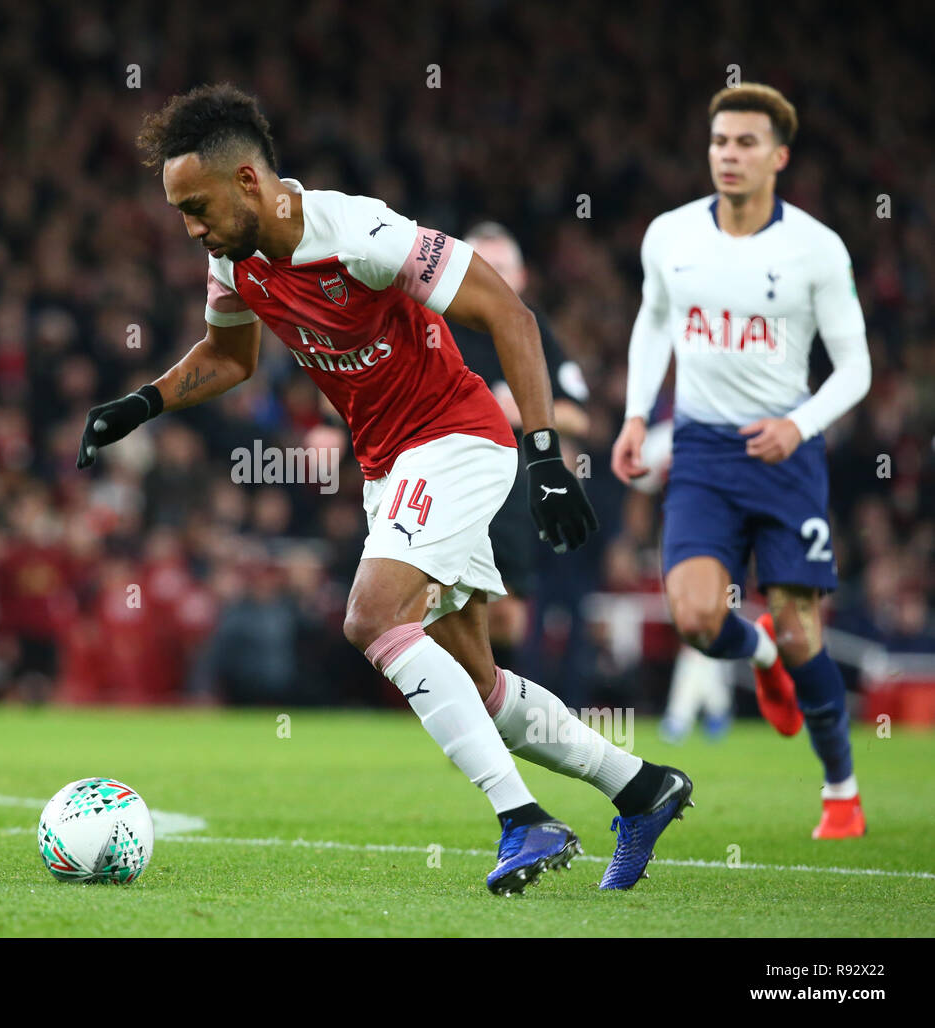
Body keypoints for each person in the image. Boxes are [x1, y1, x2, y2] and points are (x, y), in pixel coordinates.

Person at [80, 83, 692, 893]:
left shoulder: (359, 233)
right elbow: (230, 358)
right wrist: (143, 402)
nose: (191, 228)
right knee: (474, 679)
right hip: (389, 464)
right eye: (181, 212)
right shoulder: (229, 257)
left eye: (197, 206)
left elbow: (508, 312)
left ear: (249, 182)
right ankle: (641, 788)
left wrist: (543, 454)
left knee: (370, 617)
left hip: (457, 439)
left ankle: (524, 821)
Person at [611, 83, 871, 838]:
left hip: (786, 454)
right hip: (701, 447)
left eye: (747, 143)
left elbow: (854, 369)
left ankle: (841, 788)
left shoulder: (816, 249)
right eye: (721, 141)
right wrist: (634, 415)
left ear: (779, 157)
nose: (730, 154)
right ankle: (755, 653)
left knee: (803, 632)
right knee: (695, 618)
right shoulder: (670, 235)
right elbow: (653, 320)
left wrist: (799, 424)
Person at [452, 222, 590, 673]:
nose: (492, 276)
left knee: (508, 611)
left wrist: (520, 412)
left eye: (502, 267)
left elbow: (578, 415)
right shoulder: (436, 322)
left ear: (523, 276)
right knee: (441, 602)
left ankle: (501, 702)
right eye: (482, 265)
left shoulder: (531, 330)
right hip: (445, 473)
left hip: (511, 482)